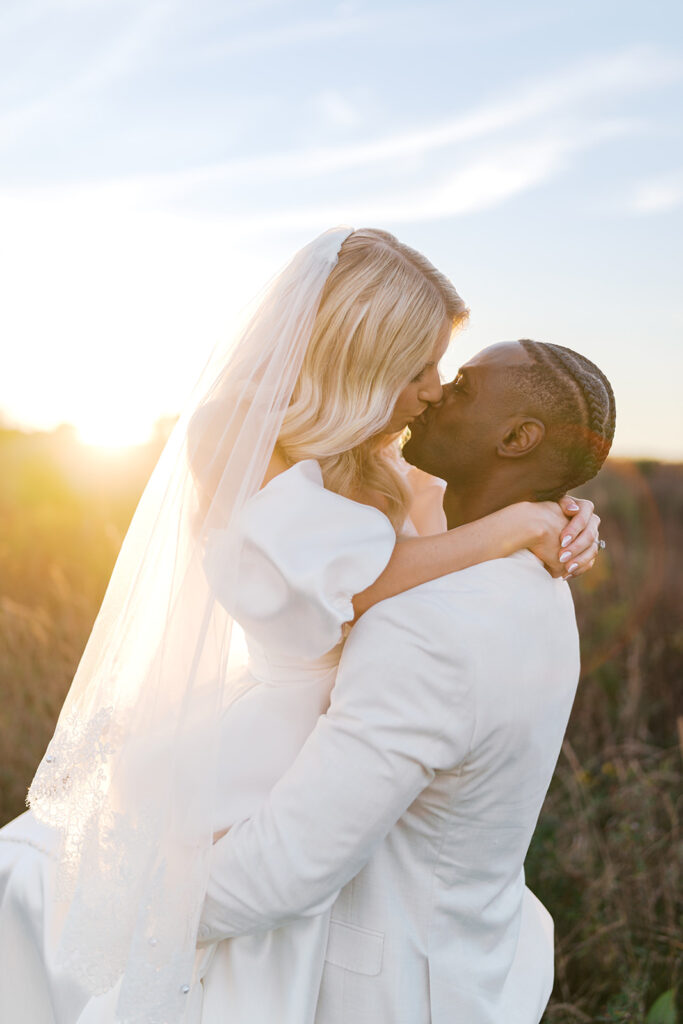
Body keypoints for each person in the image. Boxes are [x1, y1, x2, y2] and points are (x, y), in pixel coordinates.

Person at [0, 228, 599, 1024]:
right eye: (419, 367)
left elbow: (447, 512)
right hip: (267, 732)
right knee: (124, 912)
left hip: (329, 738)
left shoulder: (372, 448)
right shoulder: (232, 435)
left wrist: (561, 506)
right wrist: (508, 528)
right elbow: (361, 582)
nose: (430, 389)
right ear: (363, 351)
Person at [195, 340, 616, 1024]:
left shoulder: (427, 627)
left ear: (516, 438)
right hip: (472, 956)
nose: (434, 392)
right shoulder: (533, 571)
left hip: (386, 993)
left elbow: (281, 872)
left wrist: (121, 900)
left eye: (462, 388)